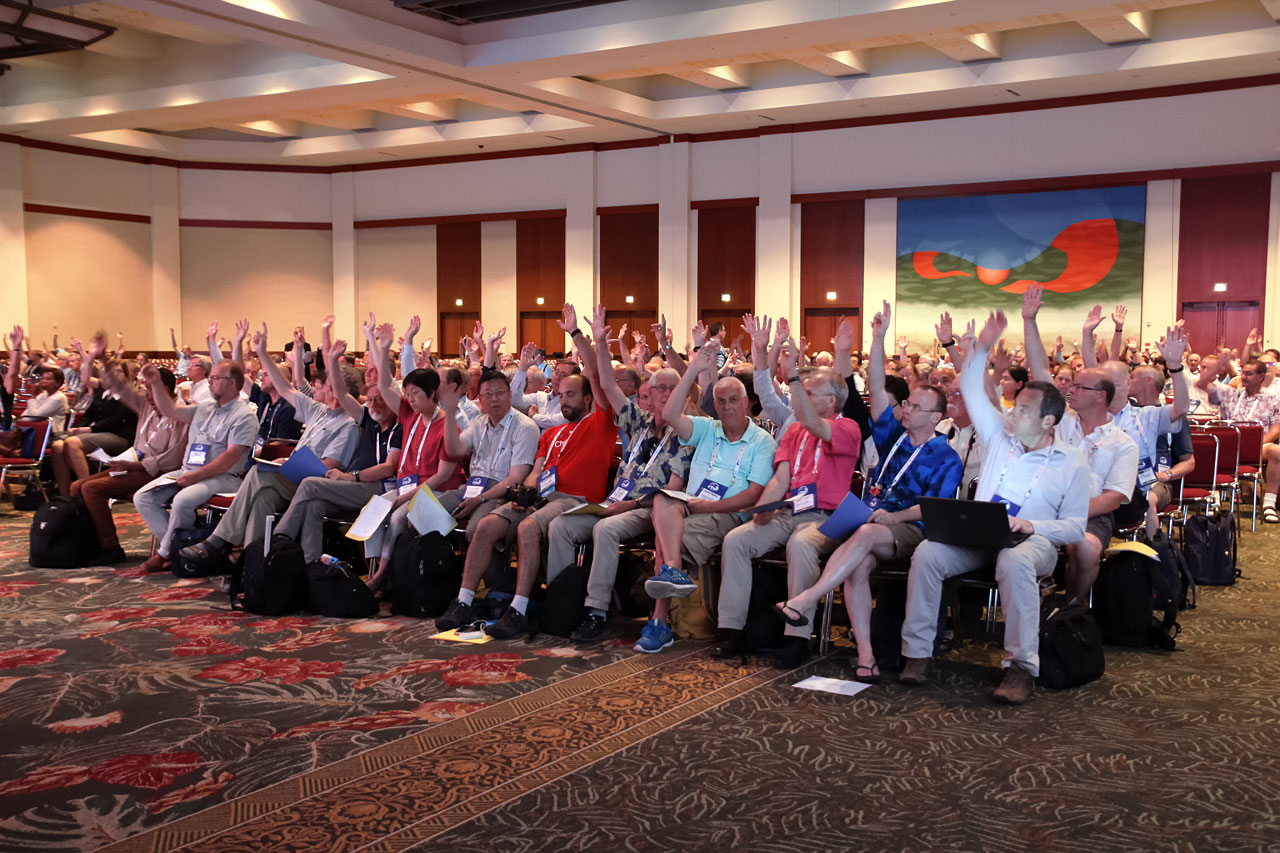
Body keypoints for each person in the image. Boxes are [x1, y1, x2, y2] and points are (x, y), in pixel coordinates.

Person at [901, 309, 1090, 705]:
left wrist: (1031, 526)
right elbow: (971, 386)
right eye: (1014, 405)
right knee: (928, 553)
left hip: (1032, 541)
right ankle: (917, 653)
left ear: (1049, 421)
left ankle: (1021, 667)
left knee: (1015, 562)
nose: (1013, 414)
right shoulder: (999, 436)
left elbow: (1074, 528)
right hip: (979, 533)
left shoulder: (1070, 459)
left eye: (1024, 410)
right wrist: (981, 345)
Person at [771, 301, 960, 681]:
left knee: (869, 533)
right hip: (868, 519)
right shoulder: (895, 438)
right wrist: (877, 338)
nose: (905, 409)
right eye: (906, 403)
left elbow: (932, 508)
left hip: (906, 528)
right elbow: (874, 385)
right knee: (857, 568)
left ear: (936, 417)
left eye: (915, 406)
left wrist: (894, 517)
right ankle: (867, 657)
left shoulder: (946, 457)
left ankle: (806, 599)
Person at [438, 304, 617, 640]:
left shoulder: (600, 423)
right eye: (560, 394)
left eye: (571, 394)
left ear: (589, 398)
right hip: (543, 498)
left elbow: (597, 377)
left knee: (529, 528)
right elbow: (536, 471)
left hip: (575, 500)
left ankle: (518, 608)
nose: (563, 400)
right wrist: (527, 489)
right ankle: (463, 600)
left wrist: (578, 336)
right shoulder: (550, 432)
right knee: (488, 524)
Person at [547, 306, 693, 644]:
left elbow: (670, 493)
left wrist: (624, 507)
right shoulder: (637, 421)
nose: (666, 395)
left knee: (607, 528)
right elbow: (606, 383)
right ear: (649, 394)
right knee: (560, 525)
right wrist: (597, 342)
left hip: (645, 509)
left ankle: (596, 611)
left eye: (674, 389)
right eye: (660, 389)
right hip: (614, 502)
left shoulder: (686, 433)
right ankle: (560, 601)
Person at [719, 340, 862, 668]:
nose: (800, 399)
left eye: (808, 393)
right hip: (788, 511)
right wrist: (764, 508)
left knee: (801, 544)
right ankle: (733, 630)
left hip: (826, 517)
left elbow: (814, 423)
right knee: (737, 540)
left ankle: (796, 637)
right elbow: (780, 479)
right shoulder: (794, 430)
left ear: (831, 400)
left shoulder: (847, 427)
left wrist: (794, 376)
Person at [180, 323, 360, 562]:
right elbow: (284, 387)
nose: (320, 389)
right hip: (290, 478)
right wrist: (262, 352)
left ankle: (217, 540)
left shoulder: (350, 424)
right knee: (262, 500)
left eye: (326, 386)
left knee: (257, 474)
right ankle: (253, 563)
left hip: (314, 484)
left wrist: (289, 462)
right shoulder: (318, 410)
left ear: (339, 391)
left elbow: (328, 467)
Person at [650, 341, 777, 656]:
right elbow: (668, 413)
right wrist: (693, 368)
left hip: (728, 514)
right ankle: (675, 570)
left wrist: (710, 506)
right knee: (662, 500)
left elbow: (752, 494)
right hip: (693, 506)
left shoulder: (762, 441)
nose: (727, 406)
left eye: (734, 400)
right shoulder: (708, 427)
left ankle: (658, 622)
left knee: (663, 542)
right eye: (721, 401)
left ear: (746, 402)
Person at [273, 340, 404, 565]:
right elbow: (342, 394)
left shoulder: (399, 427)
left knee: (310, 484)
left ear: (392, 403)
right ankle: (311, 565)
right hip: (357, 485)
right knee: (314, 505)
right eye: (370, 400)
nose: (374, 405)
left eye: (380, 400)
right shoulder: (369, 420)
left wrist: (351, 476)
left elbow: (388, 468)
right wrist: (332, 360)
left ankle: (279, 538)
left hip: (380, 488)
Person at [362, 319, 465, 589]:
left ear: (433, 394)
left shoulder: (447, 425)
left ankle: (382, 575)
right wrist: (383, 349)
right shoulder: (411, 414)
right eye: (407, 393)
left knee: (397, 516)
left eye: (416, 393)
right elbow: (385, 388)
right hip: (408, 487)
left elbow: (443, 476)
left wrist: (405, 496)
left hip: (438, 490)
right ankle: (374, 571)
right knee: (373, 509)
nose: (410, 398)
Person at [132, 359, 258, 573]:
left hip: (224, 478)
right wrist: (154, 384)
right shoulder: (205, 408)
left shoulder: (244, 416)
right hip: (189, 472)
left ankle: (164, 554)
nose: (210, 382)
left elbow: (231, 456)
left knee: (182, 500)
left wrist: (196, 477)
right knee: (143, 497)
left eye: (216, 378)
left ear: (232, 384)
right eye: (211, 378)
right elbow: (170, 410)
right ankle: (177, 549)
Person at [69, 363, 189, 564]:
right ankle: (88, 542)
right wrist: (100, 357)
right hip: (134, 465)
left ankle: (110, 547)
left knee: (91, 489)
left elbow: (174, 458)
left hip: (157, 472)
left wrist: (136, 466)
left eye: (149, 388)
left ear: (164, 390)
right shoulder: (147, 407)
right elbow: (121, 389)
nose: (145, 393)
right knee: (76, 486)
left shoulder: (181, 414)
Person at [49, 335, 138, 495]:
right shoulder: (103, 391)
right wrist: (79, 428)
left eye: (118, 372)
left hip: (119, 436)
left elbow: (116, 421)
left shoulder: (129, 395)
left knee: (73, 443)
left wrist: (86, 430)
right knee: (57, 446)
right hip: (98, 433)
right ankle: (66, 494)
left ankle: (87, 488)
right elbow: (89, 407)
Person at [1215, 359, 1280, 522]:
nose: (1244, 376)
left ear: (1261, 377)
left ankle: (1269, 505)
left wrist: (1256, 444)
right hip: (1230, 445)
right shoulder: (1232, 396)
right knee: (1210, 446)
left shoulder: (1273, 399)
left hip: (1259, 446)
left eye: (1249, 373)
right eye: (1243, 372)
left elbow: (1276, 429)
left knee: (1277, 452)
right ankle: (1213, 500)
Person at [5, 326, 68, 434]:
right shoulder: (43, 395)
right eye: (43, 378)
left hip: (50, 434)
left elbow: (33, 416)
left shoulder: (59, 398)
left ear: (58, 383)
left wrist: (33, 396)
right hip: (33, 431)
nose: (43, 381)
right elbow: (25, 416)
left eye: (48, 379)